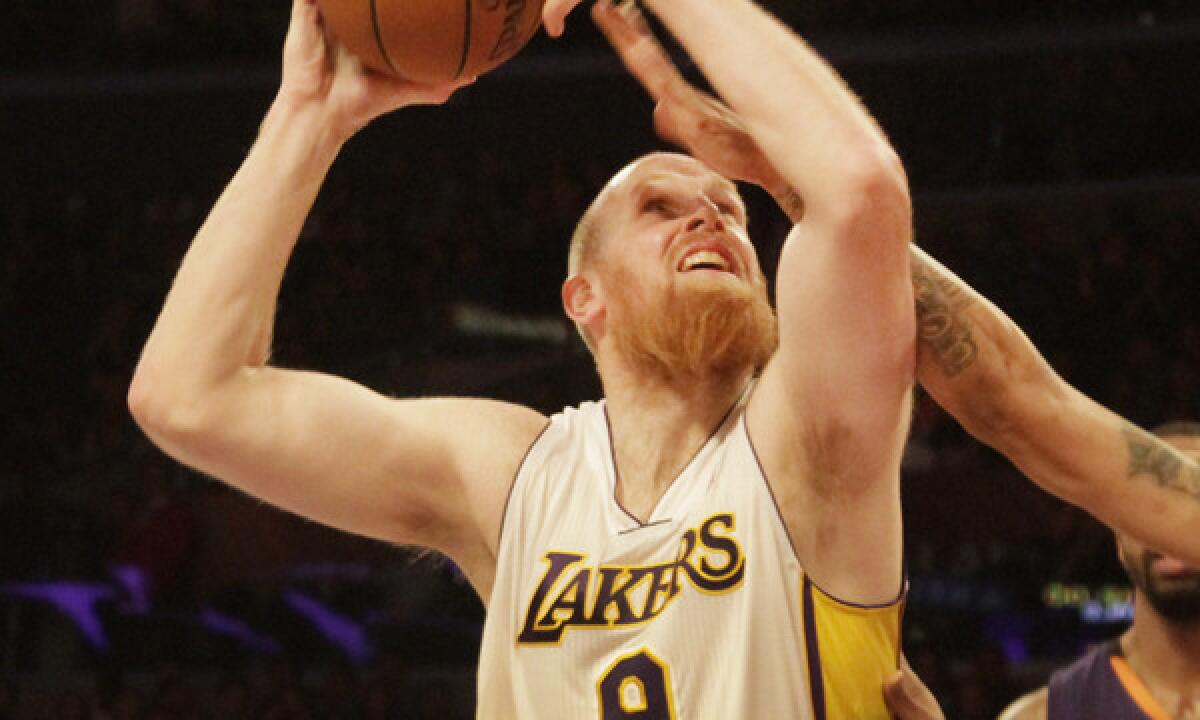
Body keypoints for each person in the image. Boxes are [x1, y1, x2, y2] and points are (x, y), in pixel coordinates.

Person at [130, 0, 916, 718]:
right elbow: (186, 397)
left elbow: (859, 191)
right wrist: (305, 119)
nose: (707, 217)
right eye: (659, 207)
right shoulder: (512, 476)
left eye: (730, 210)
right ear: (585, 299)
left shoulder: (806, 444)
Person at [996, 424, 1200, 720]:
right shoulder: (1042, 715)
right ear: (1119, 534)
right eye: (1153, 505)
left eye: (1194, 505)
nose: (1170, 531)